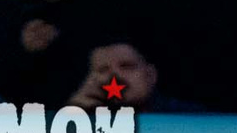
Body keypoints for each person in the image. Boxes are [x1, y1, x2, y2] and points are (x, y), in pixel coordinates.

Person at [71, 40, 206, 113]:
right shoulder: (86, 116)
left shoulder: (190, 116)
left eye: (126, 66)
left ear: (150, 75)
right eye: (103, 70)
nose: (114, 75)